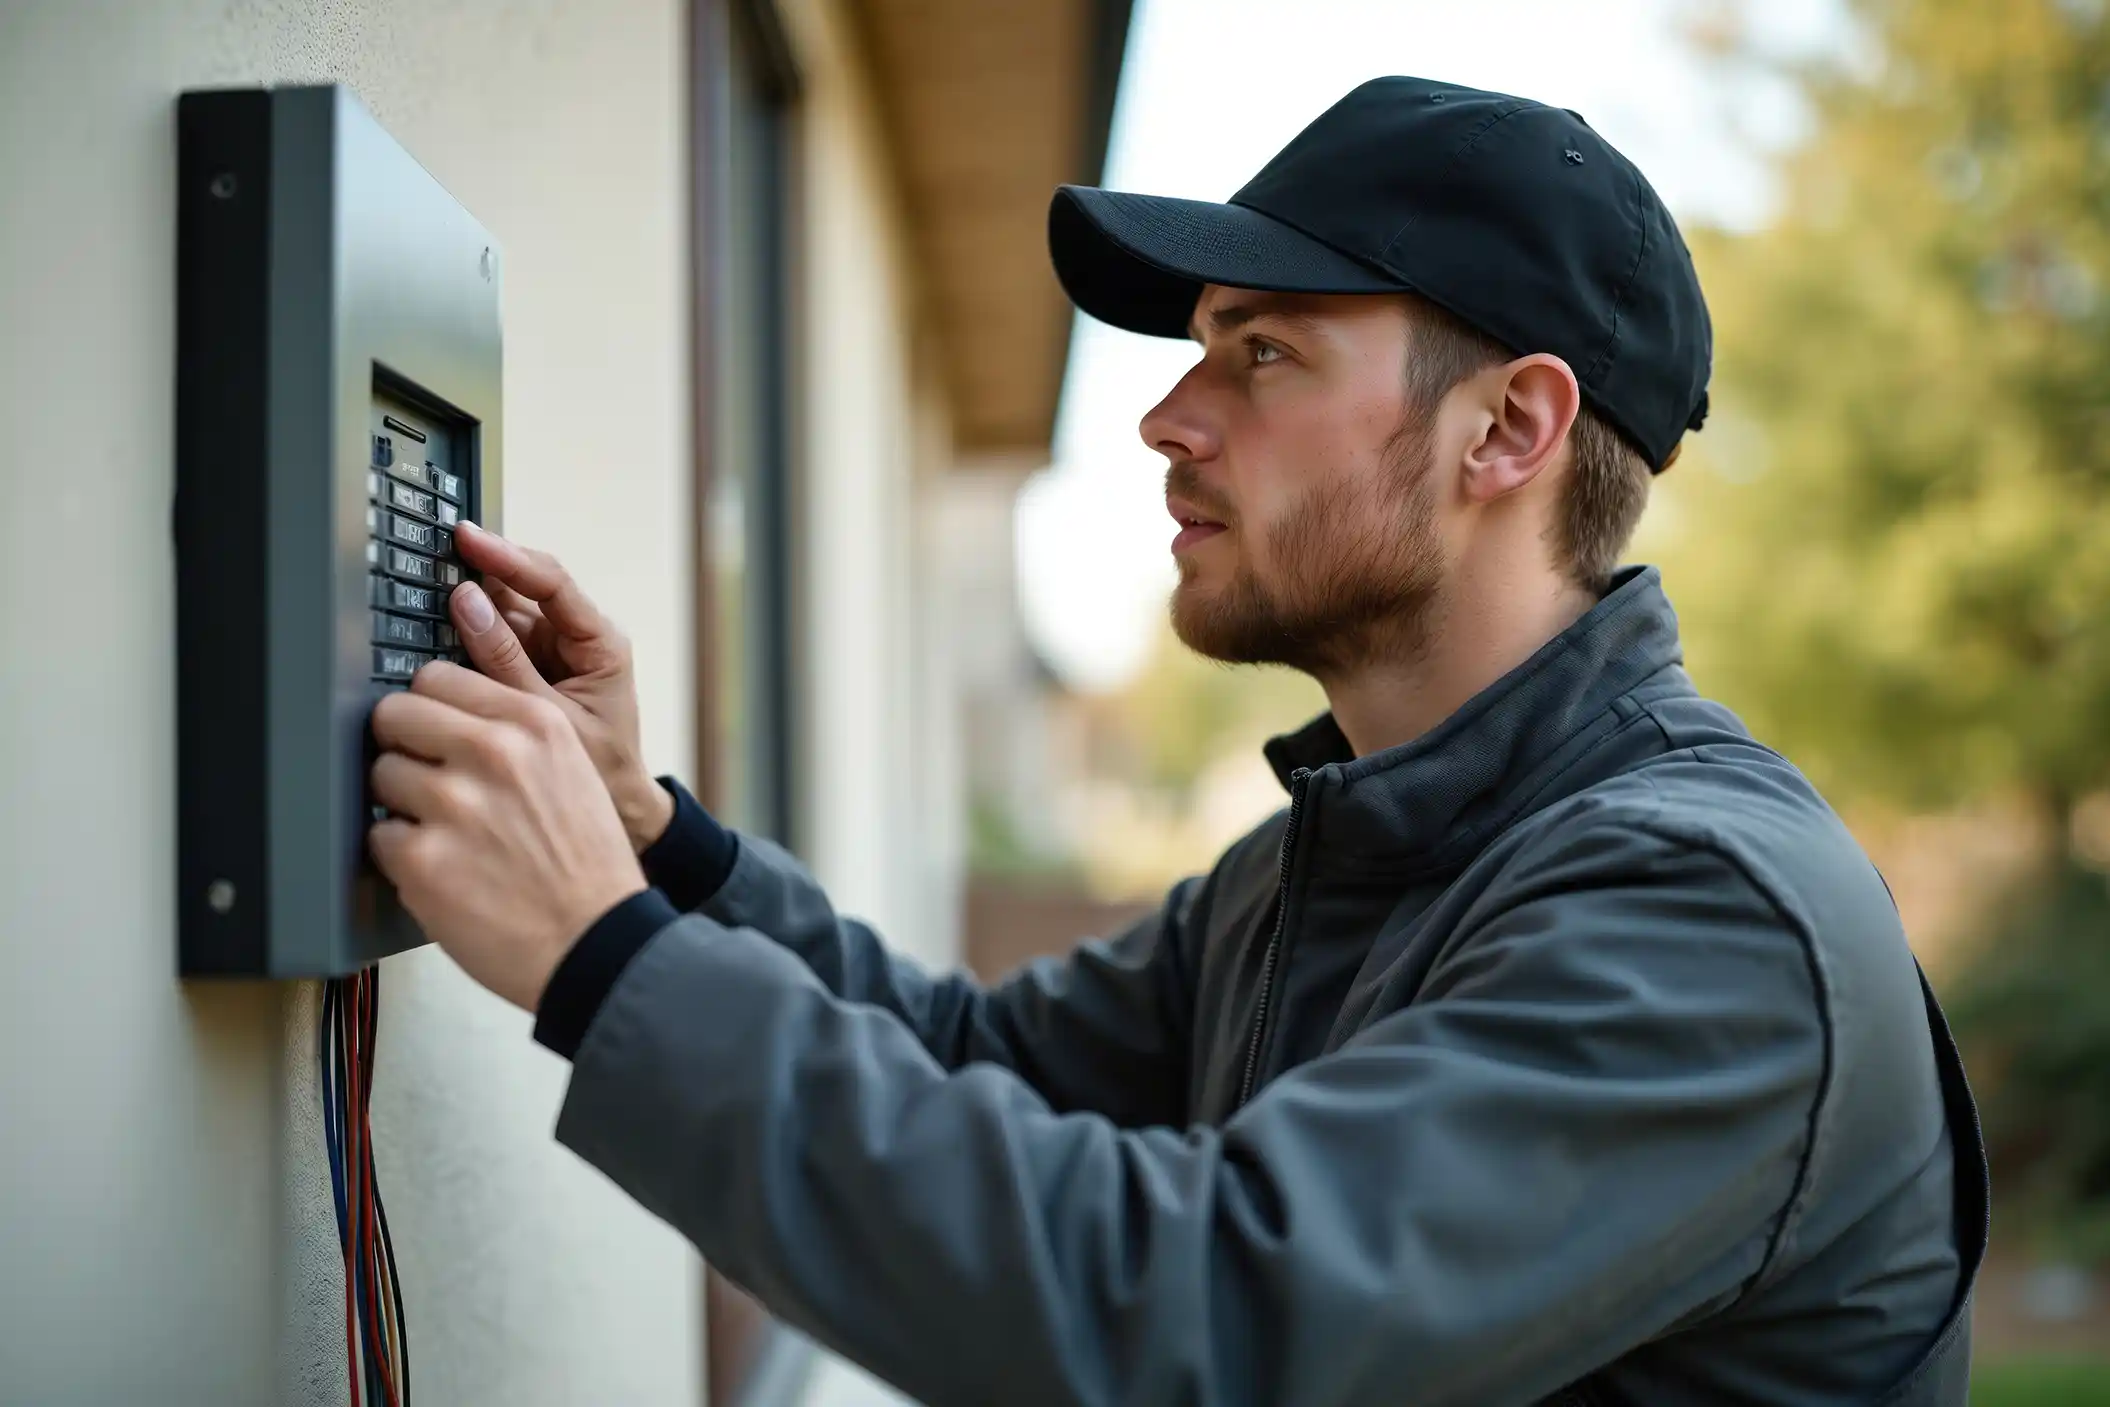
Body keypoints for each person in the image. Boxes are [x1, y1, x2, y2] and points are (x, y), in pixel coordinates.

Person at [366, 77, 1986, 1405]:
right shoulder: (1323, 863)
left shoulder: (1703, 919)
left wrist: (600, 954)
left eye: (1261, 351)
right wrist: (647, 838)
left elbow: (1188, 1318)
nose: (1164, 415)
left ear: (1508, 428)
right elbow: (973, 1066)